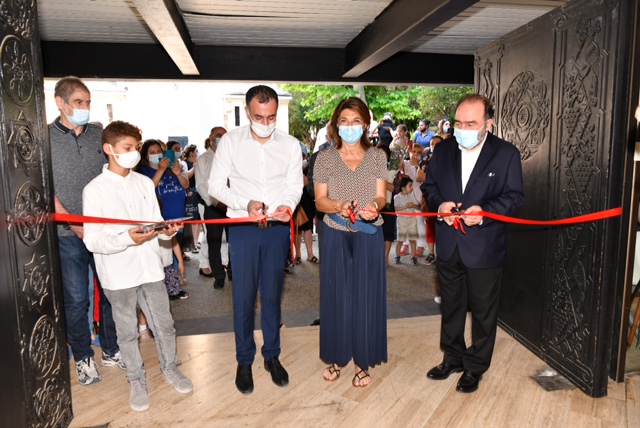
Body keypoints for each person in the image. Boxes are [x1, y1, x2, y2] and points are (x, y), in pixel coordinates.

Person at [83, 120, 193, 412]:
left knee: (165, 325)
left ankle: (170, 368)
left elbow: (156, 224)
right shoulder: (94, 190)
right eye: (127, 148)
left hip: (150, 268)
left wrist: (166, 231)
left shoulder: (145, 183)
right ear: (109, 149)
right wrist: (126, 238)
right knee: (127, 333)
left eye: (136, 148)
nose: (133, 153)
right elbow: (93, 241)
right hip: (118, 275)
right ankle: (136, 380)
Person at [423, 94, 524, 393]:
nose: (462, 129)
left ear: (488, 124)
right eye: (458, 123)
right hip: (449, 242)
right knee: (451, 307)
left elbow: (515, 197)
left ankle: (475, 367)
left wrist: (485, 213)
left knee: (483, 311)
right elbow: (430, 187)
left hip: (484, 246)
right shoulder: (443, 151)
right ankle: (452, 358)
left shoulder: (506, 154)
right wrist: (440, 205)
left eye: (471, 123)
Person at [208, 85, 302, 394]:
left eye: (271, 116)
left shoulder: (289, 145)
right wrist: (244, 202)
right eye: (259, 116)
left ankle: (271, 356)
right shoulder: (230, 143)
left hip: (276, 228)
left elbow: (294, 184)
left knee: (273, 296)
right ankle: (244, 360)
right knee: (244, 299)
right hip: (244, 228)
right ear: (247, 112)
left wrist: (287, 204)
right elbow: (215, 186)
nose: (265, 123)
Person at [49, 76, 124, 385]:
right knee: (77, 299)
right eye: (78, 102)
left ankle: (110, 348)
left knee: (109, 293)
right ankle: (82, 357)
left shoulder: (98, 134)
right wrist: (72, 222)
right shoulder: (45, 138)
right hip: (68, 235)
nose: (85, 108)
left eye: (88, 102)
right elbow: (45, 187)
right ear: (60, 103)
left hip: (103, 230)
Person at [313, 96, 388, 388]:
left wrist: (375, 207)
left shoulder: (378, 156)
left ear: (366, 124)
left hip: (370, 234)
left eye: (356, 120)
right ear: (336, 125)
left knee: (366, 296)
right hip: (334, 231)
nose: (350, 126)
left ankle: (362, 361)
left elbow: (381, 196)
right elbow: (320, 202)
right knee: (336, 296)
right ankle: (337, 355)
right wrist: (339, 205)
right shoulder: (325, 158)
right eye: (344, 121)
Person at [196, 126, 232, 289]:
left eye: (224, 135)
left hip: (232, 205)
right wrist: (217, 203)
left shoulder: (232, 157)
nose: (221, 138)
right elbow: (201, 185)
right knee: (214, 241)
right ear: (211, 138)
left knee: (234, 240)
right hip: (214, 206)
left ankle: (233, 270)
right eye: (218, 135)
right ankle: (218, 275)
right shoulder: (203, 159)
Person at [394, 176, 421, 266]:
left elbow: (418, 207)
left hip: (412, 220)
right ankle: (397, 257)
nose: (412, 188)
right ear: (403, 187)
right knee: (400, 240)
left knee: (412, 240)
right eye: (410, 185)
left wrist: (413, 205)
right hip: (401, 221)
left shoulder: (412, 196)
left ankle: (413, 257)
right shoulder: (397, 197)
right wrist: (405, 207)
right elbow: (396, 208)